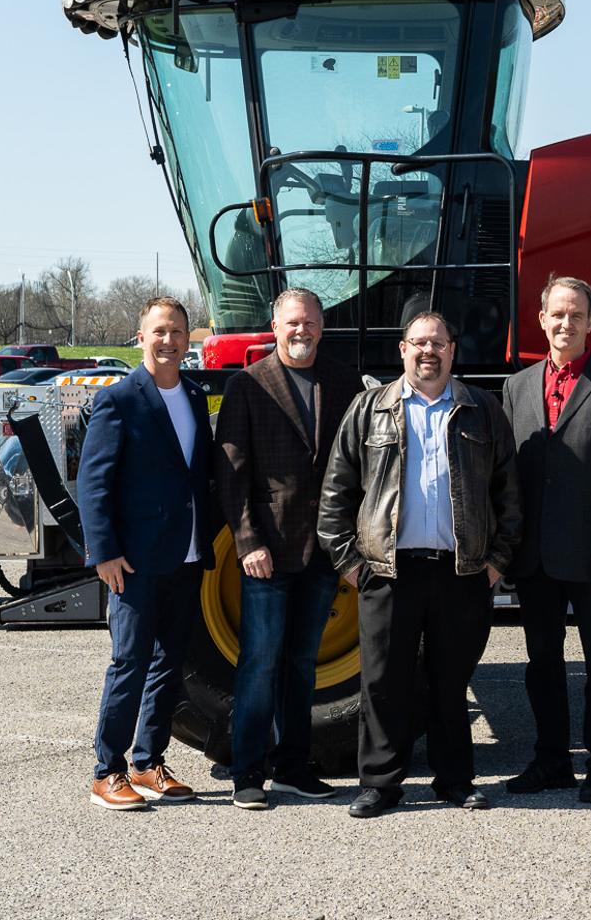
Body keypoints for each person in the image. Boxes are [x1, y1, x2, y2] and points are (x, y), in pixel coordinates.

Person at [316, 311, 522, 819]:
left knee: (450, 680)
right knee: (383, 681)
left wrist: (494, 565)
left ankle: (454, 780)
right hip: (386, 572)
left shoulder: (482, 410)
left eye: (439, 343)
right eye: (418, 343)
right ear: (402, 349)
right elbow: (335, 494)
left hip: (462, 572)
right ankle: (380, 785)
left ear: (453, 349)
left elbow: (509, 498)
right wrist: (351, 565)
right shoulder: (370, 409)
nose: (428, 352)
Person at [216, 287, 364, 810]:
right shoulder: (247, 387)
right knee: (259, 662)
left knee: (302, 663)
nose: (301, 332)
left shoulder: (345, 382)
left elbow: (359, 469)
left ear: (322, 327)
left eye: (310, 323)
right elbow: (232, 476)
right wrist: (248, 542)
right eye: (292, 324)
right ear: (274, 328)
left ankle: (293, 768)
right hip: (269, 554)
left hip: (325, 553)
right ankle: (248, 773)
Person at [502, 275, 591, 804]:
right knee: (542, 665)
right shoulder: (516, 388)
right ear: (541, 319)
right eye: (557, 314)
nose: (566, 324)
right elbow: (509, 478)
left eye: (576, 315)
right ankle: (551, 761)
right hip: (535, 559)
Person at [81, 296, 220, 811]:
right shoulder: (119, 399)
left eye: (178, 332)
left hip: (185, 557)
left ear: (189, 339)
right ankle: (107, 770)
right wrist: (104, 552)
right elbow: (94, 484)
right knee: (129, 661)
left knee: (170, 662)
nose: (168, 341)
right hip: (133, 561)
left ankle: (147, 762)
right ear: (141, 338)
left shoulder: (193, 394)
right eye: (159, 331)